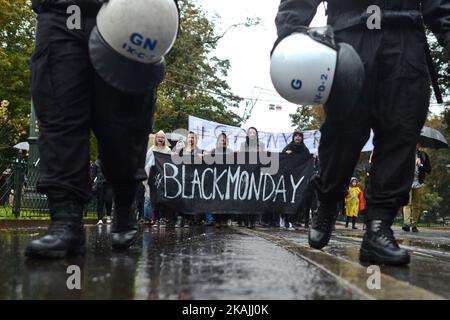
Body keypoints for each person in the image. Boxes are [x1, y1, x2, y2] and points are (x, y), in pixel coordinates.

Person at [275, 0, 450, 265]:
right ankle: (328, 201)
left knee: (402, 131)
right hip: (351, 30)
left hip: (405, 35)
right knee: (343, 131)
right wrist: (289, 33)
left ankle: (378, 228)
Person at [25, 0, 170, 258]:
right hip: (61, 13)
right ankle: (65, 220)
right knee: (60, 114)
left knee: (123, 125)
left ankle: (124, 205)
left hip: (125, 10)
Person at [281, 130, 311, 230]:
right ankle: (286, 220)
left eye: (299, 136)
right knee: (288, 199)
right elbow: (282, 159)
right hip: (289, 177)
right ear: (293, 137)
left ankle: (294, 221)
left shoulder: (305, 149)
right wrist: (286, 153)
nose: (297, 138)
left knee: (298, 200)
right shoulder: (288, 147)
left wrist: (312, 158)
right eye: (296, 136)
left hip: (299, 179)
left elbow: (307, 162)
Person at [239, 127, 266, 228]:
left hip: (257, 173)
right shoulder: (243, 145)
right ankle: (245, 220)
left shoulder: (261, 145)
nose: (252, 134)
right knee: (246, 196)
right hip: (246, 173)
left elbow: (265, 157)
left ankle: (253, 220)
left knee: (255, 197)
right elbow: (241, 159)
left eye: (253, 132)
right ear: (247, 134)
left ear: (256, 134)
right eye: (250, 132)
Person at [144, 130, 172, 227]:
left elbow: (170, 164)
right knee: (150, 198)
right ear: (156, 138)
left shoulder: (168, 150)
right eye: (158, 137)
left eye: (162, 137)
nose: (160, 139)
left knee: (162, 199)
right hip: (152, 177)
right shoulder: (151, 150)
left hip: (163, 178)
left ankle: (161, 218)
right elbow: (146, 164)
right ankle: (151, 219)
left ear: (164, 139)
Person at [402, 144, 431, 232]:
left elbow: (429, 169)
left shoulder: (423, 155)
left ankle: (414, 225)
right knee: (407, 203)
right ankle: (406, 224)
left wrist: (421, 164)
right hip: (407, 182)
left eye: (418, 143)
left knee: (416, 205)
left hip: (418, 183)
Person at [208, 133, 234, 228]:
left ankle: (225, 219)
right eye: (221, 139)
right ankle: (217, 220)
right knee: (216, 200)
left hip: (226, 178)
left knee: (225, 200)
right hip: (215, 178)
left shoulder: (230, 152)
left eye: (224, 139)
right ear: (218, 141)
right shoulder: (213, 151)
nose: (223, 140)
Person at [91, 158, 113, 225]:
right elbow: (93, 175)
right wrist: (93, 183)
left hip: (109, 183)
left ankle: (108, 216)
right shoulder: (97, 162)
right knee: (100, 201)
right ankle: (100, 218)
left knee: (109, 200)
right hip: (100, 184)